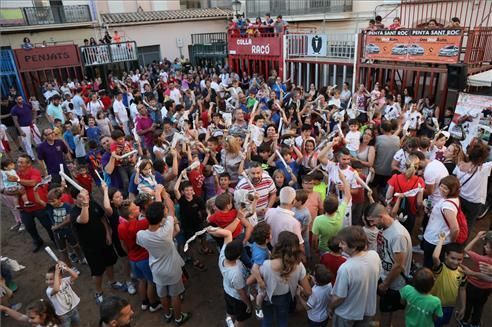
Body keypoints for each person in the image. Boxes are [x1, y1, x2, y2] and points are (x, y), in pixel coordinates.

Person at [136, 201, 191, 325]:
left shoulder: (141, 235)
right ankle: (178, 318)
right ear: (161, 219)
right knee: (175, 295)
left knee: (162, 294)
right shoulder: (166, 231)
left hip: (157, 270)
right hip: (172, 269)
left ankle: (167, 314)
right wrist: (164, 195)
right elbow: (171, 209)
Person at [70, 188, 121, 304]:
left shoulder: (93, 203)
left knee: (109, 263)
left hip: (104, 241)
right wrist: (85, 204)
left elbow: (102, 217)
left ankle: (113, 282)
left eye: (87, 195)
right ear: (74, 199)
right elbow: (84, 219)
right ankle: (98, 292)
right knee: (97, 271)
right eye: (81, 196)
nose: (86, 197)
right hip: (90, 247)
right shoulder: (74, 213)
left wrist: (108, 233)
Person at [365, 203, 412, 327]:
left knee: (387, 310)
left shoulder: (398, 235)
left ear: (381, 217)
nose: (372, 224)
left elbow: (399, 265)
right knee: (384, 307)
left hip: (393, 282)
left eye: (372, 221)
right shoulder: (386, 226)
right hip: (386, 276)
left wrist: (385, 284)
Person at [329, 226, 381, 326]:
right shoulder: (374, 255)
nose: (340, 245)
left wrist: (330, 307)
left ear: (353, 246)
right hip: (368, 311)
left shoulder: (346, 268)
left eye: (343, 243)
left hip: (346, 314)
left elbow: (339, 297)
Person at [258, 231, 312, 327]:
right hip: (284, 297)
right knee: (282, 319)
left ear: (278, 245)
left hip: (267, 296)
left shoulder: (266, 265)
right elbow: (308, 291)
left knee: (267, 319)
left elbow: (255, 279)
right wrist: (299, 291)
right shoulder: (299, 266)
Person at [211, 227, 252, 326]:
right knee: (241, 319)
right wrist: (248, 304)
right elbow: (241, 293)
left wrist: (210, 229)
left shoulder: (223, 255)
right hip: (237, 298)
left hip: (228, 291)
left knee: (230, 311)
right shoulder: (236, 273)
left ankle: (228, 321)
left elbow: (228, 233)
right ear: (238, 257)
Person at [16, 154, 55, 252]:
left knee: (48, 225)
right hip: (25, 208)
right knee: (29, 227)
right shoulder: (16, 174)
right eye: (18, 162)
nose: (18, 164)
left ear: (29, 164)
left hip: (39, 206)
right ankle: (38, 242)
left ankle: (55, 240)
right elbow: (8, 190)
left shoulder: (35, 172)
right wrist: (16, 191)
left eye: (21, 162)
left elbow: (33, 183)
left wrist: (18, 180)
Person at [454, 141, 492, 238]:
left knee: (456, 220)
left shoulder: (459, 166)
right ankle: (461, 244)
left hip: (460, 198)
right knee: (468, 224)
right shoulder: (484, 169)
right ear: (483, 157)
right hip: (475, 203)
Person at [422, 176, 462, 268]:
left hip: (436, 240)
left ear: (452, 190)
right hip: (436, 239)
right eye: (441, 186)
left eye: (446, 188)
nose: (442, 189)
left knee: (429, 265)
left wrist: (451, 242)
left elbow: (455, 228)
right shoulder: (450, 198)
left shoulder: (448, 205)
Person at [312, 170, 351, 254]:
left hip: (323, 248)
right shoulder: (340, 213)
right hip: (336, 248)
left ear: (324, 207)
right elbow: (348, 196)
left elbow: (314, 239)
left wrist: (314, 249)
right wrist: (343, 179)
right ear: (337, 207)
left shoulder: (318, 220)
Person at [430, 234, 466, 327]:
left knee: (440, 324)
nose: (455, 262)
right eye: (452, 258)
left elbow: (462, 289)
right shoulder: (440, 268)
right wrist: (441, 240)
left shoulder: (462, 272)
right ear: (446, 255)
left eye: (459, 259)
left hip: (449, 306)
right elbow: (435, 257)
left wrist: (463, 306)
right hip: (434, 305)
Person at [460, 230, 492, 327]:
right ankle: (475, 323)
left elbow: (466, 250)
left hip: (473, 285)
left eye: (487, 246)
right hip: (487, 288)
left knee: (468, 304)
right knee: (479, 306)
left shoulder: (481, 259)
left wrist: (477, 237)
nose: (484, 246)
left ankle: (464, 321)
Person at [45, 262, 81, 327]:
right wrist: (56, 273)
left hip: (73, 309)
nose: (48, 282)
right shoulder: (49, 290)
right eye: (47, 279)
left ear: (60, 277)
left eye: (51, 279)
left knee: (76, 324)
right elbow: (56, 289)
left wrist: (66, 268)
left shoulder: (65, 281)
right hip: (63, 315)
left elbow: (75, 276)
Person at [11, 95, 41, 160]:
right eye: (19, 99)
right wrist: (20, 131)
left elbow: (34, 110)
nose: (21, 100)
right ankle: (31, 158)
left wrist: (35, 118)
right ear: (16, 100)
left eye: (21, 99)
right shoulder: (14, 109)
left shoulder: (27, 105)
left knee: (39, 139)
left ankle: (43, 153)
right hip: (23, 127)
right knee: (27, 143)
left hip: (32, 124)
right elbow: (15, 121)